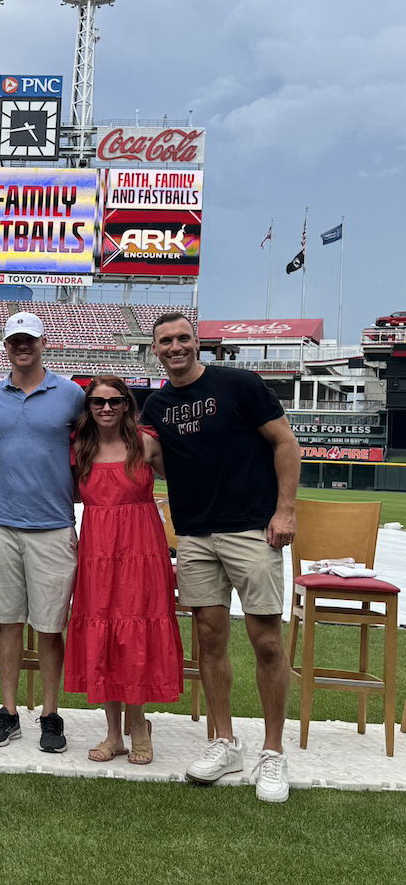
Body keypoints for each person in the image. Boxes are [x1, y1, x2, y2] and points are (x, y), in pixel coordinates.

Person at [142, 312, 299, 803]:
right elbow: (155, 458)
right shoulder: (157, 404)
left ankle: (273, 751)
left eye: (183, 338)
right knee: (208, 640)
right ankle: (224, 742)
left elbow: (286, 445)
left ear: (198, 343)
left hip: (251, 529)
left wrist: (285, 512)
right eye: (165, 341)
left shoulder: (239, 384)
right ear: (155, 350)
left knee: (267, 641)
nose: (175, 347)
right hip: (194, 536)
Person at [0, 311, 84, 753]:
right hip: (1, 523)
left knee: (51, 627)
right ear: (6, 346)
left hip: (54, 525)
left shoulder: (71, 394)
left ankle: (51, 714)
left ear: (42, 343)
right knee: (8, 623)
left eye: (29, 340)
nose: (22, 346)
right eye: (15, 341)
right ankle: (9, 711)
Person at [63, 376, 183, 764]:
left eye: (115, 401)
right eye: (98, 402)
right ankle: (114, 734)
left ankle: (139, 725)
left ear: (127, 404)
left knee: (135, 636)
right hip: (97, 552)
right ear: (89, 407)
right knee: (105, 635)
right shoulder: (80, 447)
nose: (107, 408)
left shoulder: (147, 444)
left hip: (141, 551)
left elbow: (185, 478)